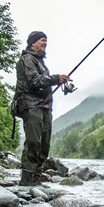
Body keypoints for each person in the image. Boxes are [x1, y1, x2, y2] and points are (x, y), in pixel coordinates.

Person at [14, 31, 70, 186]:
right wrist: (55, 78)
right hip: (31, 105)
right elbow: (33, 80)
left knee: (44, 144)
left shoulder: (40, 62)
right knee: (33, 142)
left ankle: (36, 176)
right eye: (42, 40)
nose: (45, 43)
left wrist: (58, 81)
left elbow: (42, 81)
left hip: (44, 107)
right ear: (32, 43)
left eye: (46, 41)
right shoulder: (27, 59)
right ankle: (26, 180)